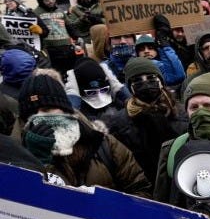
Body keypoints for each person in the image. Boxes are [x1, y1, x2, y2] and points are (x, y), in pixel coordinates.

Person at [17, 74, 150, 196]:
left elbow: (140, 190)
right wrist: (38, 164)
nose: (40, 117)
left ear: (64, 109)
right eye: (32, 113)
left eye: (47, 109)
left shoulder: (103, 144)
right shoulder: (18, 151)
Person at [152, 72, 210, 204]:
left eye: (208, 105)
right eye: (194, 107)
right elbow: (163, 202)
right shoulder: (173, 149)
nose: (201, 112)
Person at [105, 57, 186, 184]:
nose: (146, 84)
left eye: (151, 78)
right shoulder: (120, 123)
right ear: (130, 88)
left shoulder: (181, 112)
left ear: (160, 82)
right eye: (137, 81)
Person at [33, 0, 81, 76]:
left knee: (72, 73)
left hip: (67, 47)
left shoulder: (60, 11)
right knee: (57, 74)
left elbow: (69, 26)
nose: (51, 1)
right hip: (50, 49)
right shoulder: (36, 13)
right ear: (41, 0)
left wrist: (77, 37)